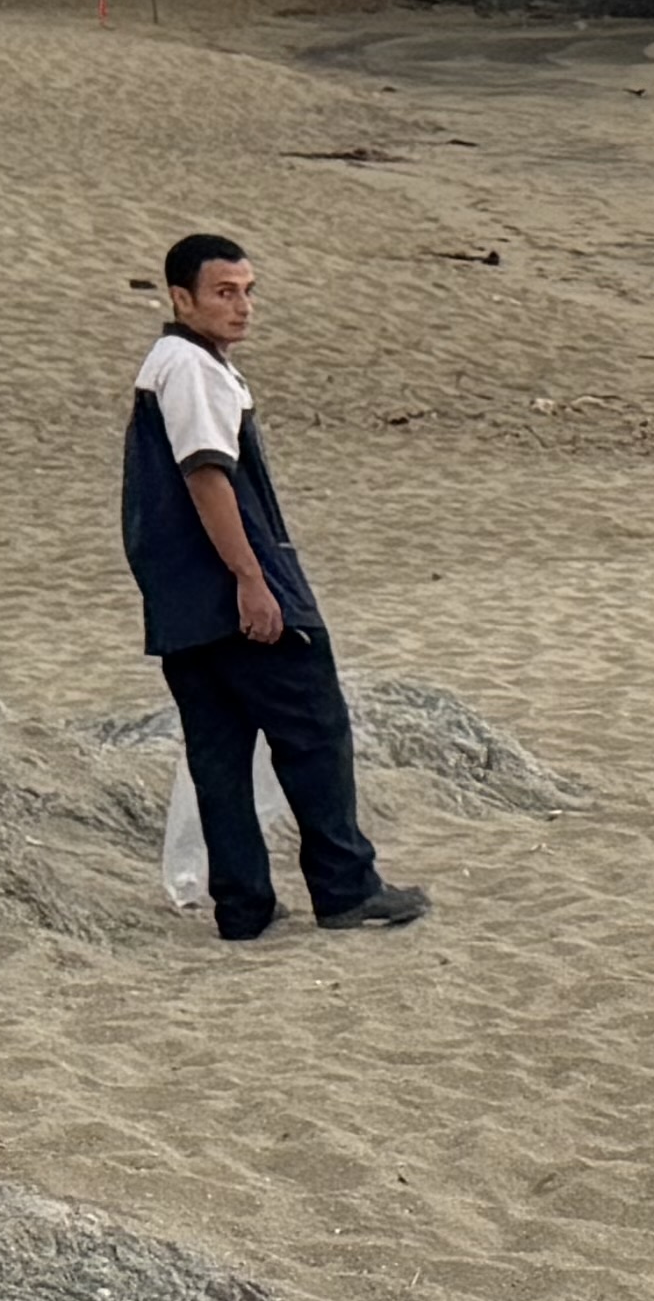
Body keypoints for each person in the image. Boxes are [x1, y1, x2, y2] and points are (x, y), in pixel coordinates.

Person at [124, 234, 429, 943]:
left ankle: (244, 904)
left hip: (183, 604)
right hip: (229, 593)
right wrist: (252, 580)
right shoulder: (190, 368)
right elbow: (207, 477)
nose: (242, 306)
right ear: (181, 298)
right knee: (315, 732)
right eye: (224, 292)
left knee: (221, 752)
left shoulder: (172, 365)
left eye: (249, 290)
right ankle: (346, 887)